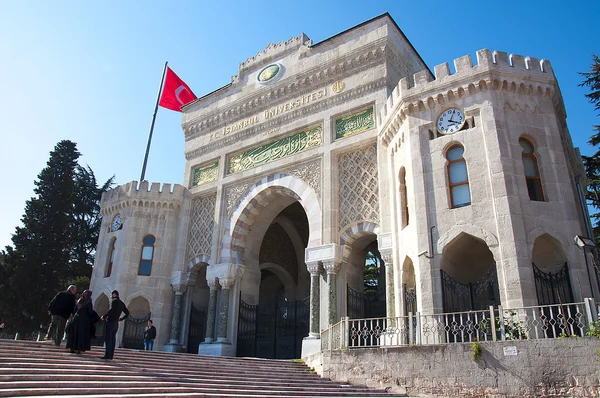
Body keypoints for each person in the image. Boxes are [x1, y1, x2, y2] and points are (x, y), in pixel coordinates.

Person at [101, 290, 129, 360]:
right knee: (113, 339)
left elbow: (111, 310)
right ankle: (111, 355)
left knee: (108, 338)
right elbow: (127, 313)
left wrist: (104, 316)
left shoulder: (114, 301)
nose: (111, 296)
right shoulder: (121, 303)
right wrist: (121, 319)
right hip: (116, 323)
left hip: (110, 321)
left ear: (114, 294)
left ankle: (107, 355)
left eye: (111, 295)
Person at [66, 290, 94, 354]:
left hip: (76, 318)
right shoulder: (89, 302)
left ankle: (72, 348)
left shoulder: (80, 300)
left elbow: (74, 310)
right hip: (84, 319)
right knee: (81, 334)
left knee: (74, 333)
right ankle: (79, 349)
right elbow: (90, 312)